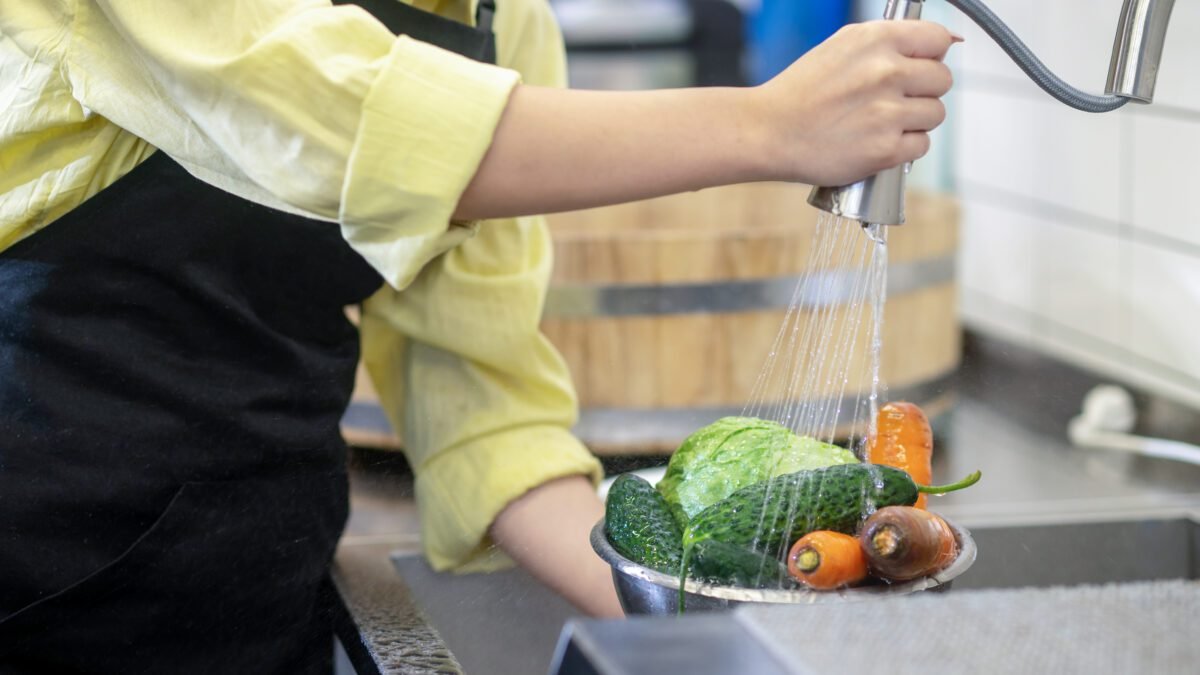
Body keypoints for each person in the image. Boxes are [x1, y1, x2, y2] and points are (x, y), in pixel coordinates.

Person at [0, 0, 956, 671]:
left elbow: (481, 400)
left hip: (250, 575)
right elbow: (337, 127)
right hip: (29, 564)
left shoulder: (504, 22)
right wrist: (767, 126)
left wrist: (709, 611)